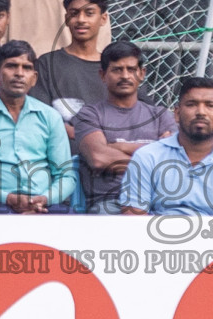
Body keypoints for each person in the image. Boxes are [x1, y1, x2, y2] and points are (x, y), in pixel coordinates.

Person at [0, 41, 76, 213]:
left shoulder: (50, 117)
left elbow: (66, 176)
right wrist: (8, 198)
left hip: (44, 206)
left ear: (34, 78)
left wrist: (43, 199)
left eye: (26, 68)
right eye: (11, 66)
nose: (19, 74)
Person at [121, 76, 213, 216]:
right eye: (192, 104)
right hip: (157, 236)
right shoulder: (147, 157)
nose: (201, 112)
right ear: (177, 114)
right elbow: (133, 220)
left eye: (210, 105)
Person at [71, 42, 174, 214]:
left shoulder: (161, 115)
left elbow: (174, 161)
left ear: (142, 74)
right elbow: (99, 158)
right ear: (103, 75)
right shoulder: (90, 114)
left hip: (157, 200)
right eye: (117, 70)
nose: (125, 76)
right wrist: (154, 153)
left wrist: (119, 147)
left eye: (131, 69)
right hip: (111, 202)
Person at [31, 0, 112, 126]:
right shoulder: (46, 64)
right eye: (74, 13)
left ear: (103, 18)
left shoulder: (117, 68)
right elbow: (40, 117)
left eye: (89, 13)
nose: (81, 20)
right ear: (66, 18)